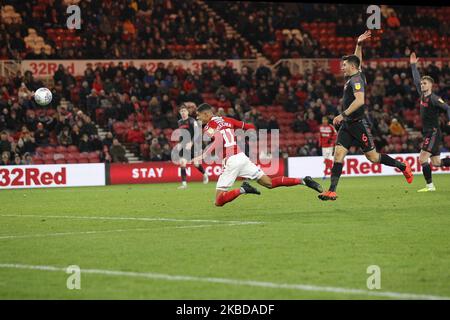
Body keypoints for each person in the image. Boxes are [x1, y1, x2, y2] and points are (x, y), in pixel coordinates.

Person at [318, 31, 413, 201]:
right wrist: (359, 44)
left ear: (351, 67)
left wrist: (342, 114)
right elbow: (357, 60)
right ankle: (332, 190)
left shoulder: (356, 81)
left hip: (358, 123)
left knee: (373, 157)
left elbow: (360, 100)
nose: (342, 67)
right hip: (347, 125)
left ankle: (402, 166)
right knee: (338, 155)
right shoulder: (356, 74)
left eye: (344, 65)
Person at [193, 103, 323, 207]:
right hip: (242, 158)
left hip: (231, 161)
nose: (198, 118)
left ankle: (243, 189)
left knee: (218, 201)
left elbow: (219, 140)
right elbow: (249, 126)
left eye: (199, 116)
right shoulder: (227, 120)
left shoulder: (208, 126)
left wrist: (202, 156)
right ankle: (303, 181)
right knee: (269, 183)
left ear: (207, 114)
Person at [410, 52, 450, 192]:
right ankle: (430, 185)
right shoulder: (422, 96)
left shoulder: (434, 98)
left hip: (433, 132)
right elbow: (415, 79)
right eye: (422, 83)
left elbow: (447, 108)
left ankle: (430, 186)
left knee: (422, 159)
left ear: (431, 85)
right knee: (437, 162)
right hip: (428, 132)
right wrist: (413, 65)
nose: (421, 84)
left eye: (424, 83)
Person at [175, 103, 208, 189]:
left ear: (187, 112)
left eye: (184, 111)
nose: (183, 112)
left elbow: (197, 133)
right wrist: (179, 143)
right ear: (179, 112)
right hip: (183, 146)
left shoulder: (192, 121)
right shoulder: (179, 122)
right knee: (182, 163)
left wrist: (192, 143)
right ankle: (184, 184)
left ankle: (205, 174)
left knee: (196, 164)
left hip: (193, 145)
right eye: (181, 111)